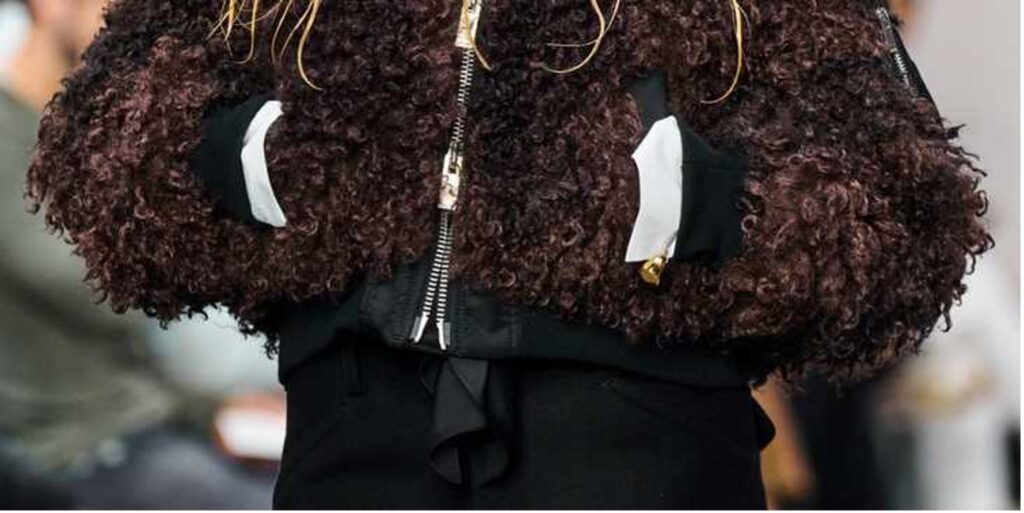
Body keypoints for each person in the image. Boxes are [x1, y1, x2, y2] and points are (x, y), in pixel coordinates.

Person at [25, 0, 991, 508]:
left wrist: (694, 203)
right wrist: (259, 160)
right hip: (348, 430)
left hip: (639, 441)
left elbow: (908, 210)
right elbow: (102, 141)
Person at [0, 0, 273, 508]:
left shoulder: (80, 138)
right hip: (70, 445)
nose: (125, 29)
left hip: (147, 420)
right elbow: (102, 289)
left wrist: (211, 410)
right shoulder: (10, 137)